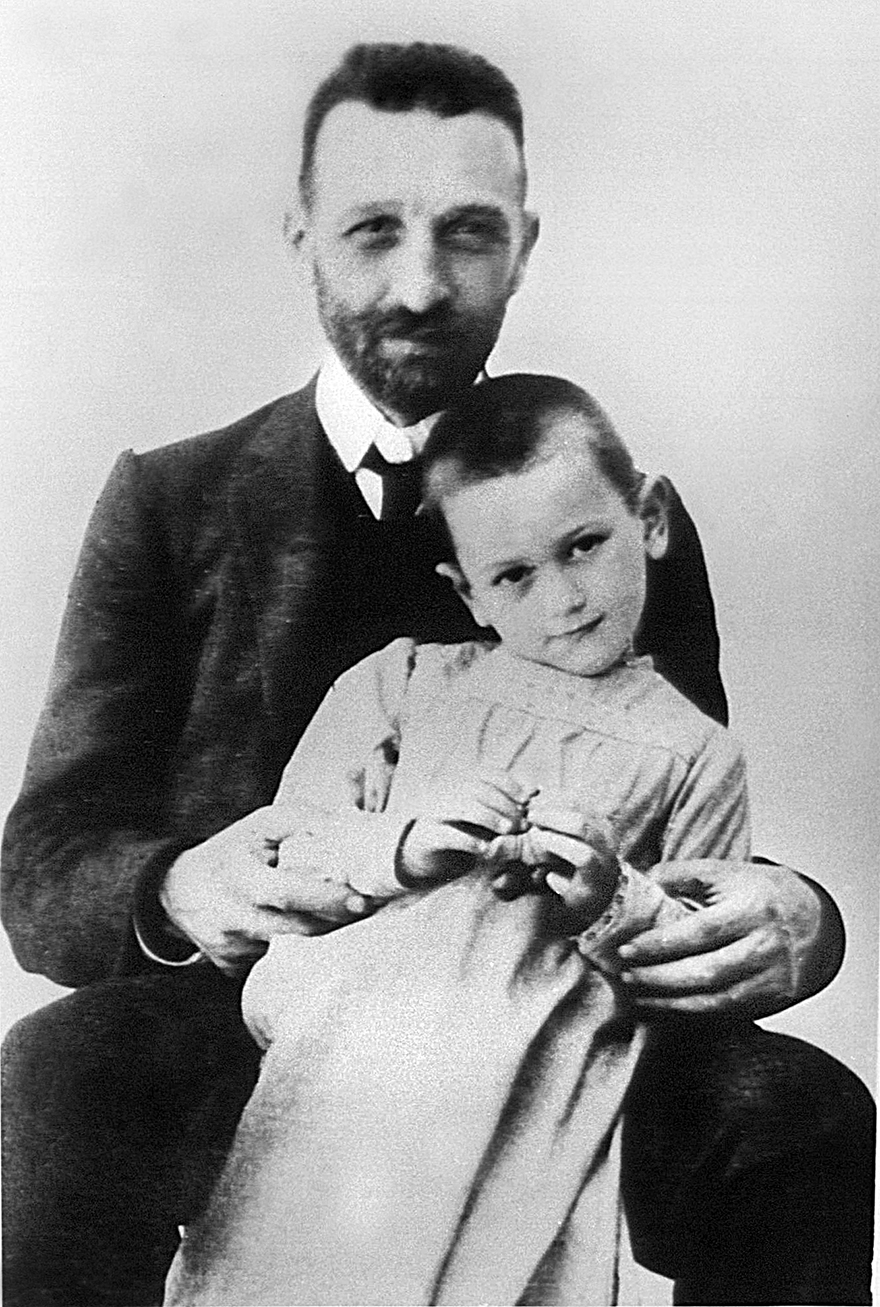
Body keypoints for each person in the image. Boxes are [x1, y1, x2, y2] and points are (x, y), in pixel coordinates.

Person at [0, 41, 871, 1307]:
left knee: (796, 1112)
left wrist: (800, 915)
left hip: (551, 995)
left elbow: (676, 797)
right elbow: (47, 859)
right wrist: (184, 887)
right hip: (264, 1003)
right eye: (373, 230)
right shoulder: (171, 499)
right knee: (61, 1069)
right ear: (301, 235)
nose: (418, 285)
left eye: (468, 231)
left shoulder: (603, 511)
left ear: (523, 246)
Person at [164, 373, 756, 1306]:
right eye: (515, 575)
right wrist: (401, 846)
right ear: (467, 591)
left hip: (539, 1075)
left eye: (585, 545)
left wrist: (610, 896)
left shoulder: (698, 751)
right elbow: (289, 849)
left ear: (648, 519)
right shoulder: (400, 684)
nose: (564, 598)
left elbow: (705, 968)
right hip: (353, 1052)